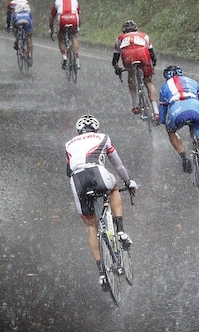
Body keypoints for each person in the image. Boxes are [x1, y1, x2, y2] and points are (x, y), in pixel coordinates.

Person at [65, 114, 138, 290]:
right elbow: (118, 166)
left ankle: (102, 274)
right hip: (98, 174)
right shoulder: (103, 137)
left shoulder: (68, 144)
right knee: (113, 188)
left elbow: (69, 171)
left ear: (78, 132)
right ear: (96, 130)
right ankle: (120, 230)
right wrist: (129, 183)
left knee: (91, 226)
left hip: (78, 181)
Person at [158, 65, 199, 198]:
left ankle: (184, 157)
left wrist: (167, 123)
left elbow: (162, 118)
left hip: (177, 112)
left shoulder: (164, 88)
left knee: (170, 130)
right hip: (195, 108)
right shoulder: (192, 81)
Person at [111, 20, 159, 121]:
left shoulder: (120, 38)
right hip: (143, 53)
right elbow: (151, 53)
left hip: (128, 55)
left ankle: (135, 104)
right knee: (148, 81)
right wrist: (152, 64)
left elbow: (115, 58)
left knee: (131, 75)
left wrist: (117, 68)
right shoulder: (144, 35)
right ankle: (156, 111)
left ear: (124, 31)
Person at [49, 0, 81, 70]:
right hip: (74, 18)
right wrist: (78, 27)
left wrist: (51, 30)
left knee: (60, 37)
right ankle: (77, 59)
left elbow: (52, 18)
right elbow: (79, 16)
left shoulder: (57, 2)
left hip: (62, 19)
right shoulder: (74, 0)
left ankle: (64, 56)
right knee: (73, 36)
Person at [6, 0, 34, 65]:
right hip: (27, 18)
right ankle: (30, 56)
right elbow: (30, 14)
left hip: (17, 18)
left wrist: (8, 26)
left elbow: (8, 16)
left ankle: (17, 40)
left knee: (14, 27)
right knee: (29, 37)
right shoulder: (26, 2)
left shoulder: (11, 3)